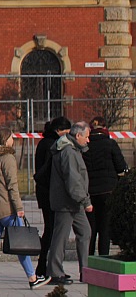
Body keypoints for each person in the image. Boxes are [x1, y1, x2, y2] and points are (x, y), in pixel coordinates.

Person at [0, 124, 51, 291]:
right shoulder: (7, 158)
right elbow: (12, 186)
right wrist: (19, 207)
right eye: (11, 137)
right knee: (21, 242)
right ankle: (32, 278)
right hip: (7, 209)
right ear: (5, 139)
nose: (13, 140)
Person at [47, 121, 93, 286]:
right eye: (86, 137)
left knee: (85, 232)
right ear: (78, 135)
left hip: (74, 203)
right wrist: (85, 200)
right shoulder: (68, 151)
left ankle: (85, 271)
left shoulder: (73, 149)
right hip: (67, 202)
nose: (88, 141)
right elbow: (73, 180)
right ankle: (54, 272)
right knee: (61, 237)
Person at [83, 116, 128, 257]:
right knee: (104, 230)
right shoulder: (110, 144)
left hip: (89, 192)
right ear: (104, 128)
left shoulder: (85, 146)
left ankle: (87, 262)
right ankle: (103, 259)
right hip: (108, 191)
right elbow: (121, 166)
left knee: (90, 230)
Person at [34, 116, 71, 278]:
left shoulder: (44, 142)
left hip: (44, 192)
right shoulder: (52, 145)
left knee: (50, 229)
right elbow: (50, 171)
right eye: (66, 132)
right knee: (51, 230)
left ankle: (44, 266)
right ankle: (45, 266)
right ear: (59, 131)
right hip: (49, 192)